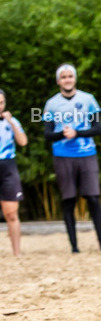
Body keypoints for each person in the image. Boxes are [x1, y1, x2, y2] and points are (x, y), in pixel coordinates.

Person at [42, 64, 101, 253]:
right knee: (68, 200)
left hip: (87, 154)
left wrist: (77, 133)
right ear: (58, 81)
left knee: (93, 198)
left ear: (75, 79)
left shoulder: (88, 99)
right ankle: (74, 246)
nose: (67, 80)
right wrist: (63, 134)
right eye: (63, 77)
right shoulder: (51, 104)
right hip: (63, 156)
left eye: (70, 76)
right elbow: (47, 134)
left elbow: (98, 128)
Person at [0, 88, 27, 256]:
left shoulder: (12, 121)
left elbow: (23, 141)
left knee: (11, 213)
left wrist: (11, 122)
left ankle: (16, 252)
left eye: (1, 103)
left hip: (8, 167)